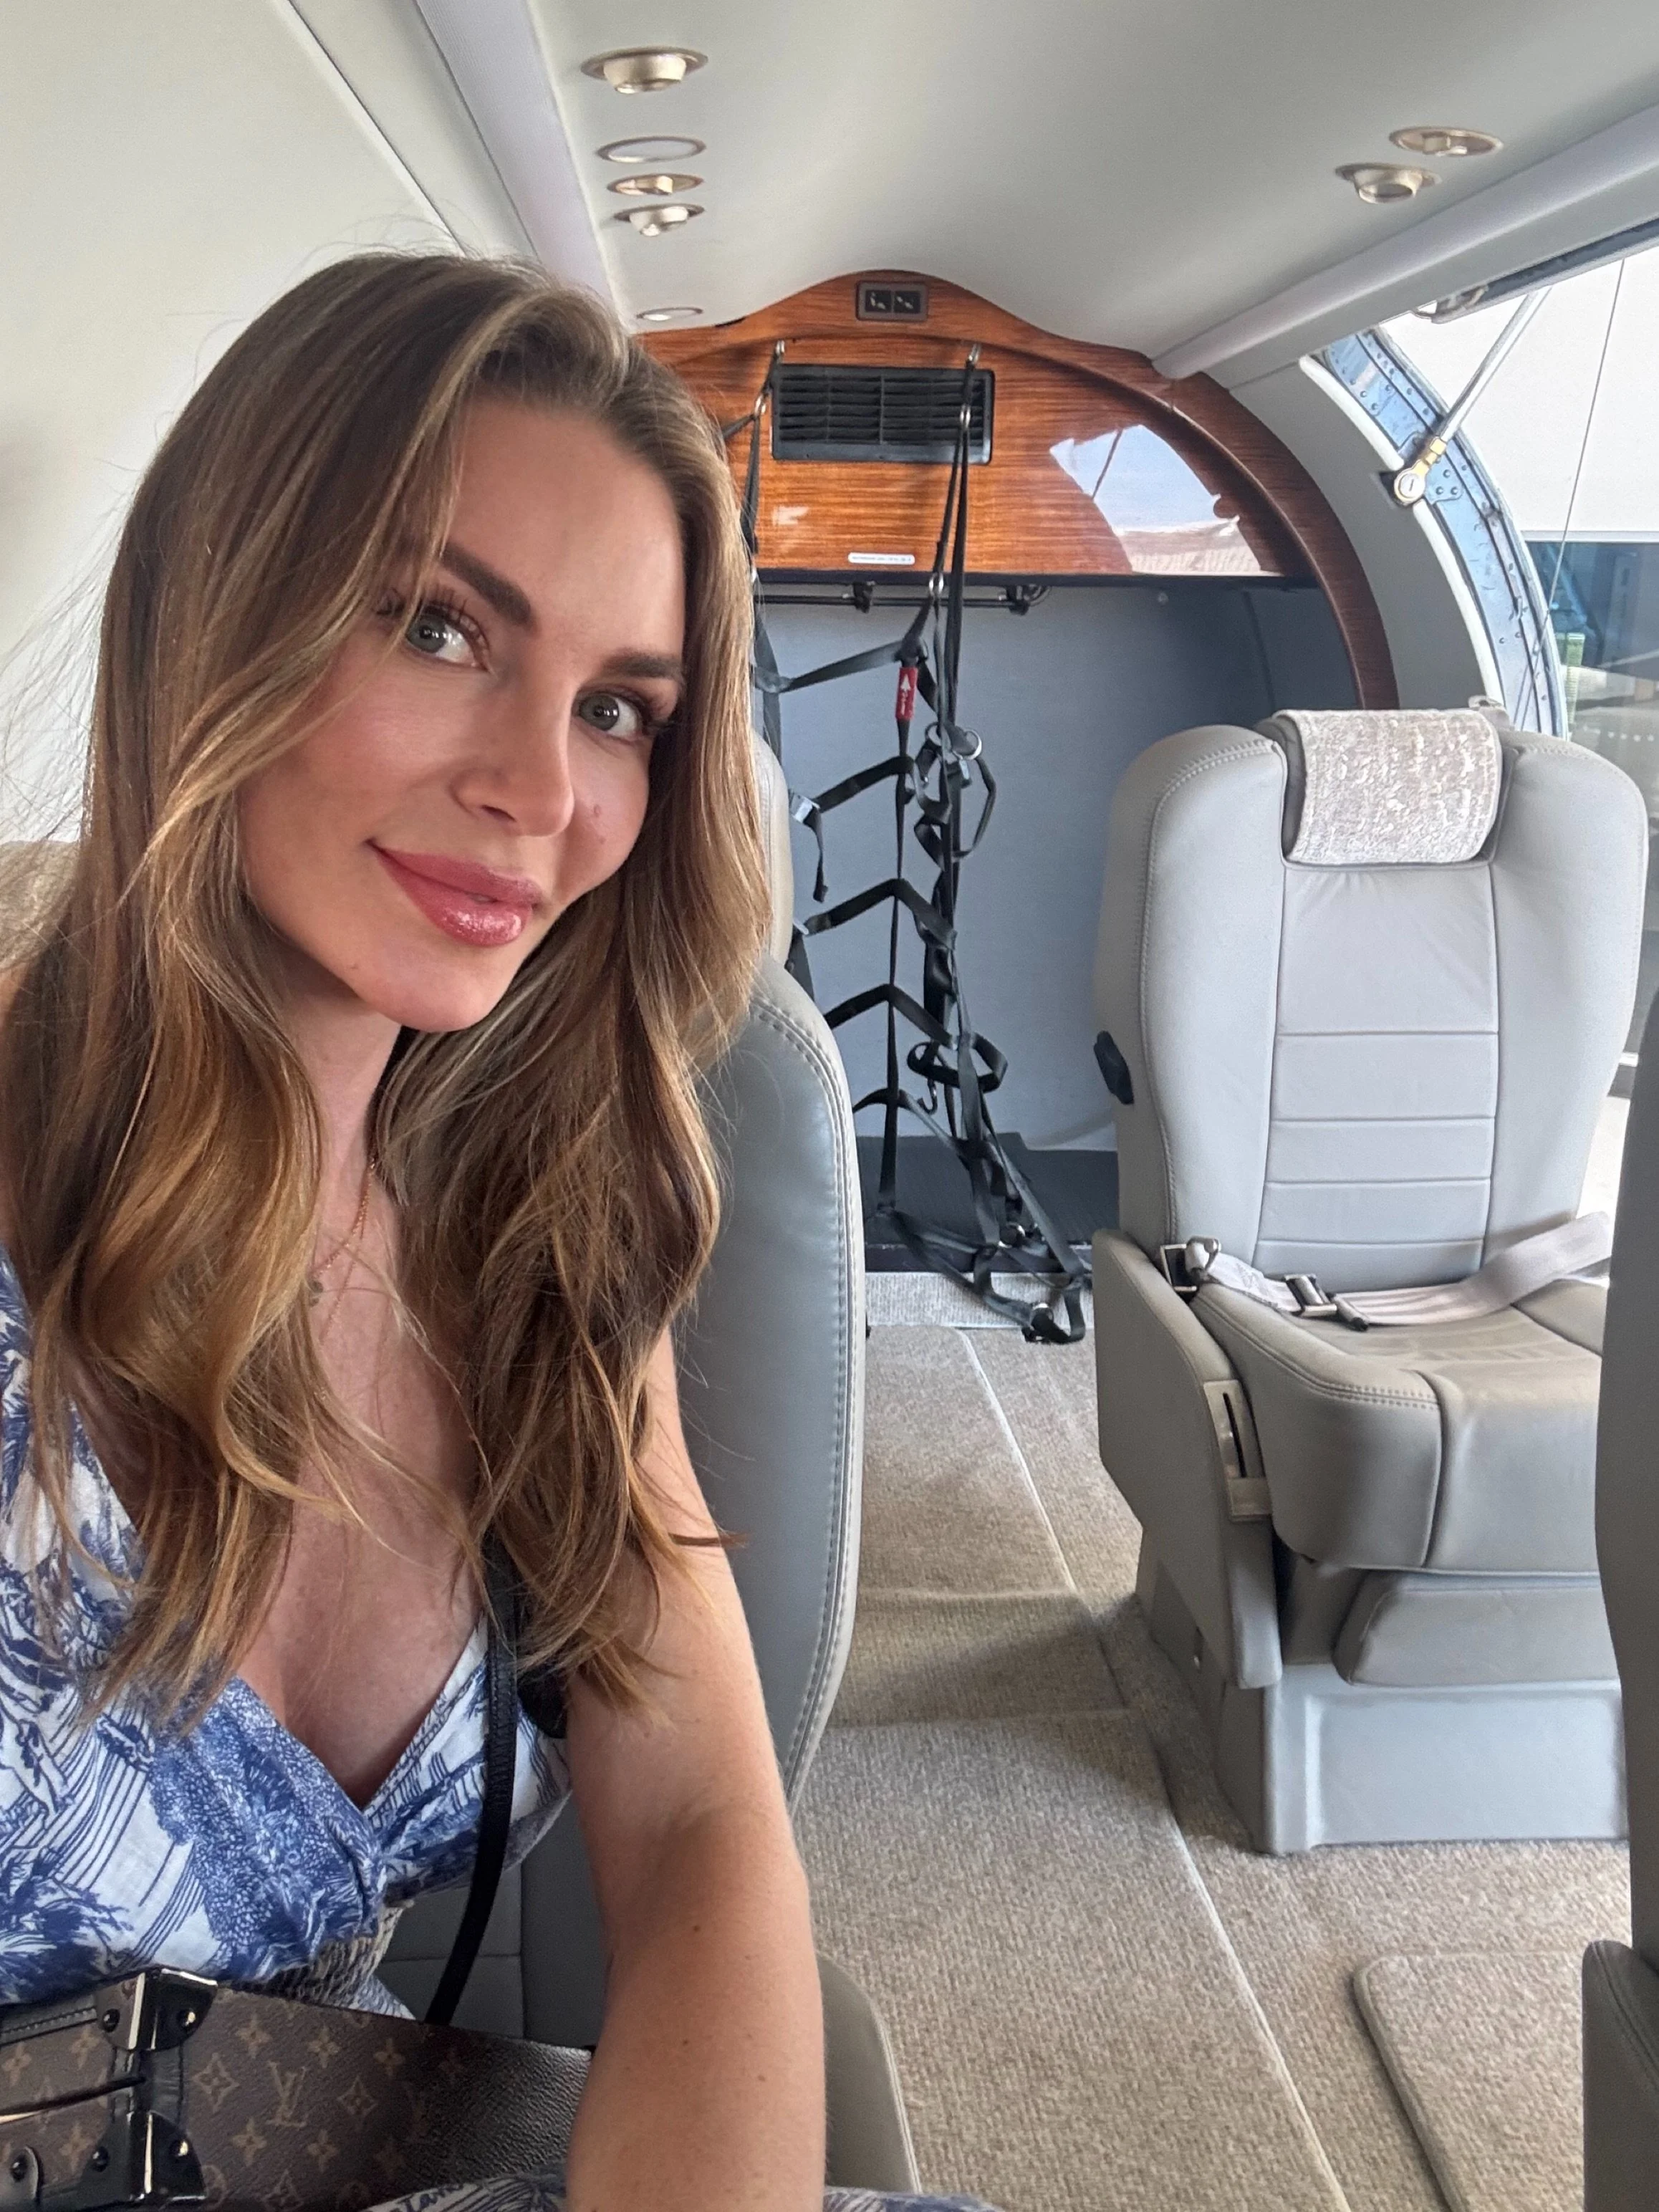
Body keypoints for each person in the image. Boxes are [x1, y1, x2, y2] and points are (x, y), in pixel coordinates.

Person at [0, 254, 998, 2212]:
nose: (543, 789)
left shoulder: (542, 1234)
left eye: (620, 708)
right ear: (217, 614)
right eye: (441, 628)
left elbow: (699, 1820)